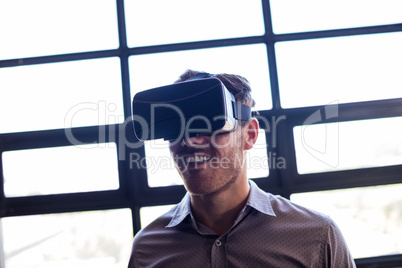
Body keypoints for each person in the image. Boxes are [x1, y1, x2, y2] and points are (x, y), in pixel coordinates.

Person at [128, 69, 356, 267]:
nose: (189, 141)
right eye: (177, 129)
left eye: (208, 125)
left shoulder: (317, 236)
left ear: (250, 135)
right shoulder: (146, 249)